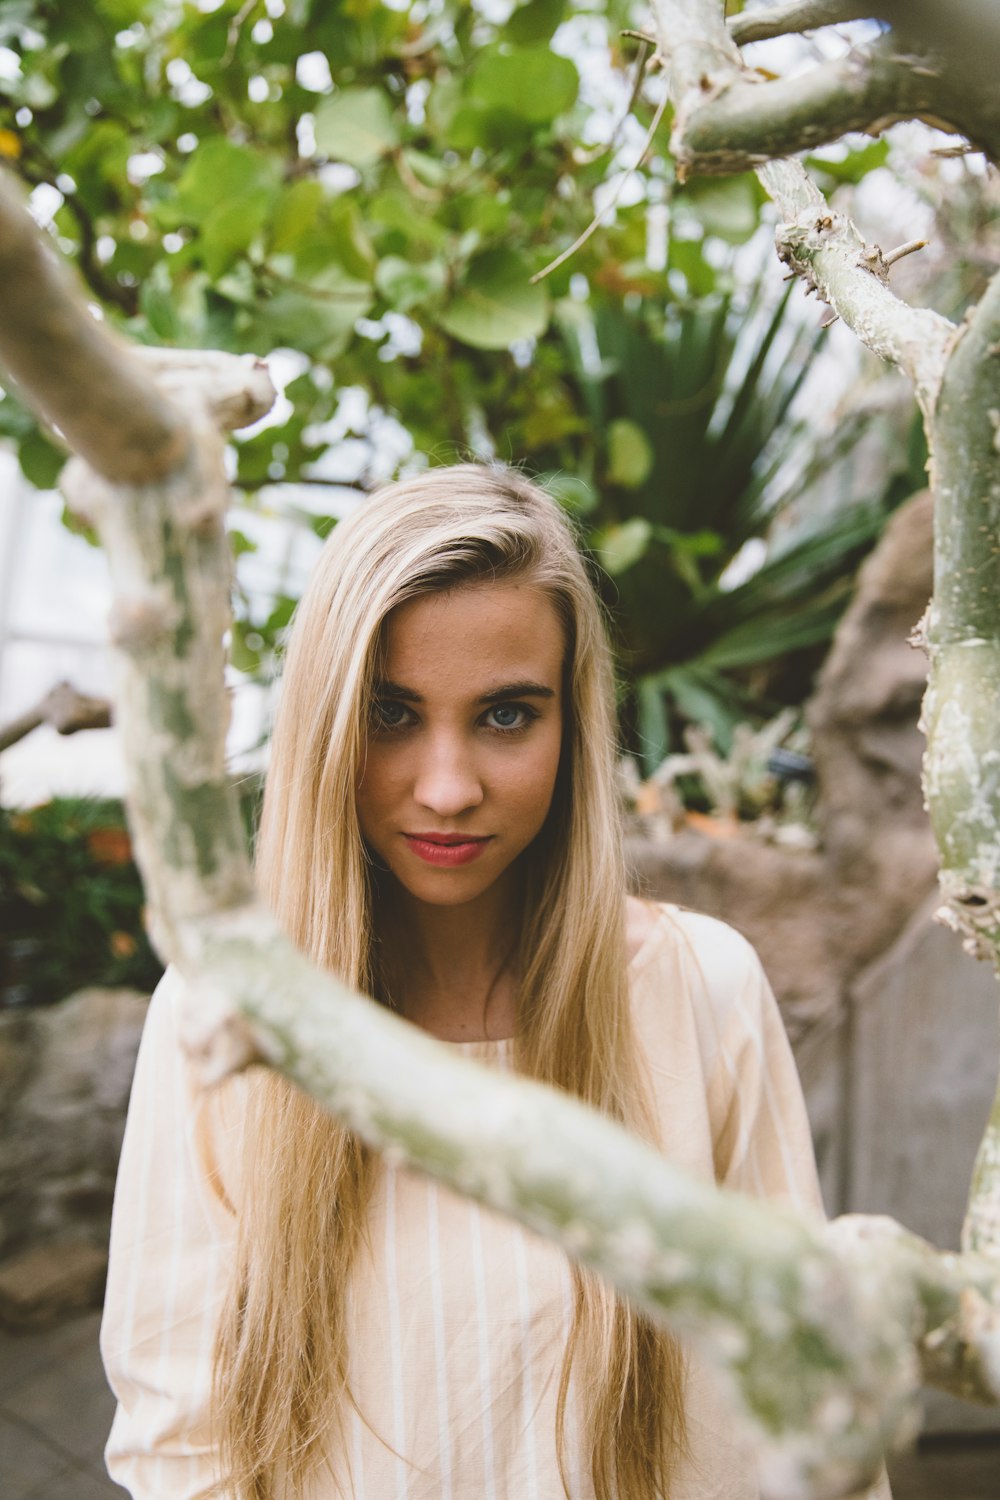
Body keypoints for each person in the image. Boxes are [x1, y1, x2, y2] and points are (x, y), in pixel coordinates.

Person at [100, 463, 883, 1500]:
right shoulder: (223, 1016)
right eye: (390, 713)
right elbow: (178, 1448)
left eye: (506, 716)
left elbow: (794, 1404)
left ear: (572, 721)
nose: (447, 787)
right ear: (326, 722)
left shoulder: (701, 992)